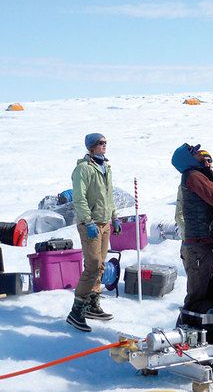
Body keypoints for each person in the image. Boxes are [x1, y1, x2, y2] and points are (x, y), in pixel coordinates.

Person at [171, 143, 213, 339]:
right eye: (198, 154)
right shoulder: (193, 176)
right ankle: (187, 334)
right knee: (198, 294)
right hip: (199, 245)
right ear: (187, 159)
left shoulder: (207, 177)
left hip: (209, 243)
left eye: (209, 159)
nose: (206, 160)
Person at [67, 133, 121, 332]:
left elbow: (109, 196)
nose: (104, 145)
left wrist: (114, 217)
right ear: (91, 147)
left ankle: (92, 304)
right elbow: (79, 198)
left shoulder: (106, 167)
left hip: (104, 223)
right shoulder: (83, 169)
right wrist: (88, 221)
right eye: (100, 143)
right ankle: (76, 311)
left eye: (105, 142)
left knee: (101, 265)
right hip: (90, 224)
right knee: (93, 266)